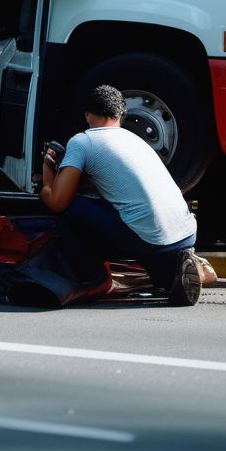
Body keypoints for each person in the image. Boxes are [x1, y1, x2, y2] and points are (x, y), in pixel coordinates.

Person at [39, 84, 201, 306]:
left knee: (68, 211)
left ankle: (92, 277)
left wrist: (48, 172)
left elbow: (58, 202)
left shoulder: (83, 141)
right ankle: (178, 272)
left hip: (149, 239)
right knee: (159, 270)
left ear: (87, 115)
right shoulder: (136, 141)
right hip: (184, 234)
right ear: (120, 115)